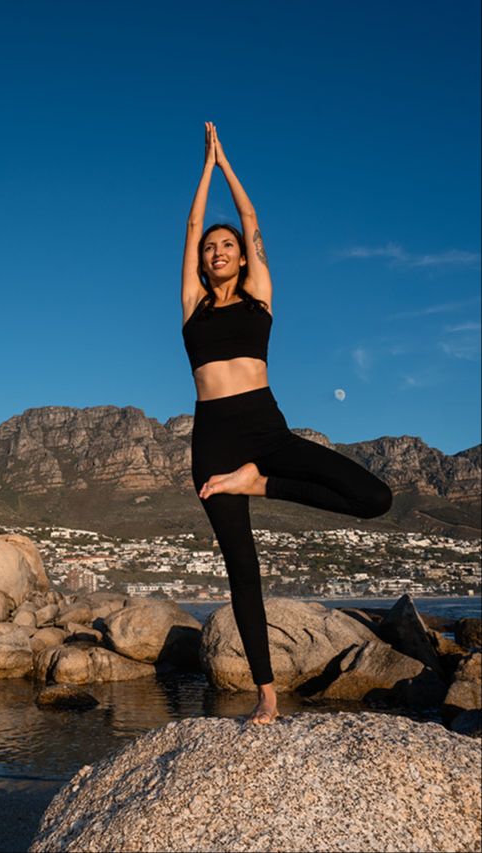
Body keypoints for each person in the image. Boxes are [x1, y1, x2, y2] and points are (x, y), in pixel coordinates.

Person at [181, 122, 393, 725]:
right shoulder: (192, 306)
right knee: (243, 571)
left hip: (266, 431)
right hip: (213, 439)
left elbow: (252, 220)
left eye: (228, 246)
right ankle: (267, 696)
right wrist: (202, 172)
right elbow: (192, 226)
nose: (217, 251)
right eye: (210, 249)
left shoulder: (260, 297)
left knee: (375, 498)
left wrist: (225, 166)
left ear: (243, 257)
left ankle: (261, 483)